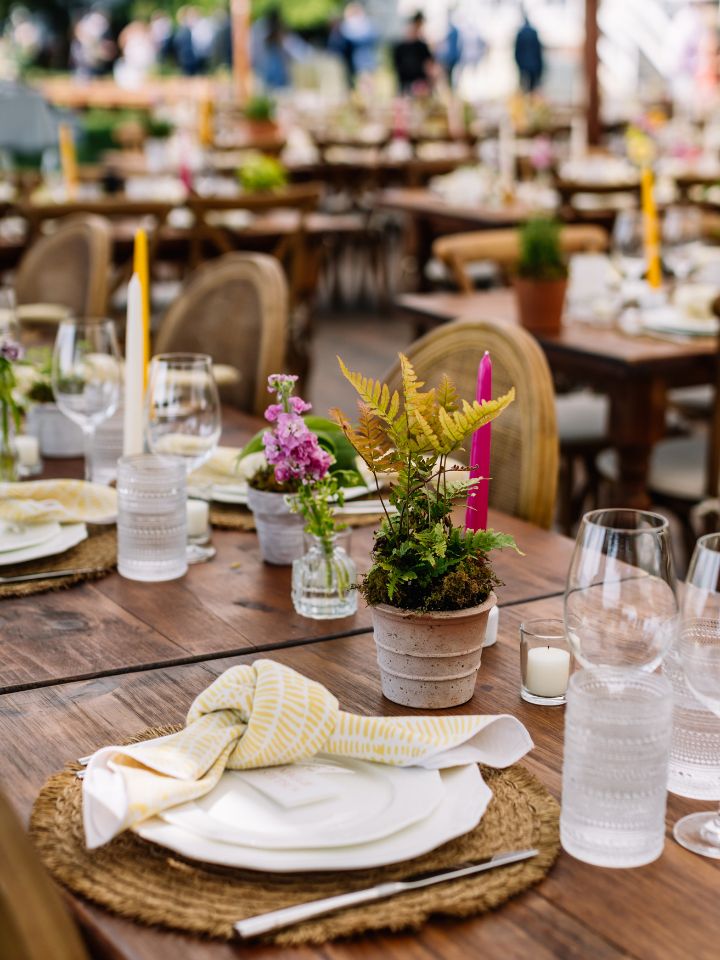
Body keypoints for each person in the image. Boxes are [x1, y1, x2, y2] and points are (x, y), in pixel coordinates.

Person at [392, 12, 435, 94]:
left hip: (421, 84)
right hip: (405, 84)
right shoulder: (400, 47)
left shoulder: (422, 46)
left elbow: (429, 65)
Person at [514, 10, 544, 93]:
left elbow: (517, 52)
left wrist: (519, 64)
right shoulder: (534, 33)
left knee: (524, 89)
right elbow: (538, 52)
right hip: (533, 66)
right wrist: (540, 69)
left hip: (523, 66)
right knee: (532, 90)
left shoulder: (520, 33)